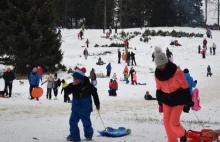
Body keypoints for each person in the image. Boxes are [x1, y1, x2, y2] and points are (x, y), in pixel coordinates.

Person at [154, 46, 192, 142]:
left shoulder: (177, 72)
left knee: (173, 124)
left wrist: (188, 102)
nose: (159, 67)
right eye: (158, 65)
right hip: (166, 101)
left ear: (166, 63)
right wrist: (159, 100)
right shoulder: (157, 74)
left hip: (178, 101)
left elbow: (185, 87)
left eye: (161, 65)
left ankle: (183, 134)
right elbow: (158, 88)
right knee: (166, 124)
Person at [66, 69, 100, 142]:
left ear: (81, 79)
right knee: (72, 121)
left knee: (86, 122)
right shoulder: (73, 85)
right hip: (75, 108)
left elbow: (95, 94)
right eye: (73, 78)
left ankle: (88, 134)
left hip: (85, 108)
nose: (74, 80)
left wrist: (97, 104)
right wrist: (70, 86)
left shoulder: (88, 86)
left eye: (76, 78)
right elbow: (67, 91)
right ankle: (75, 137)